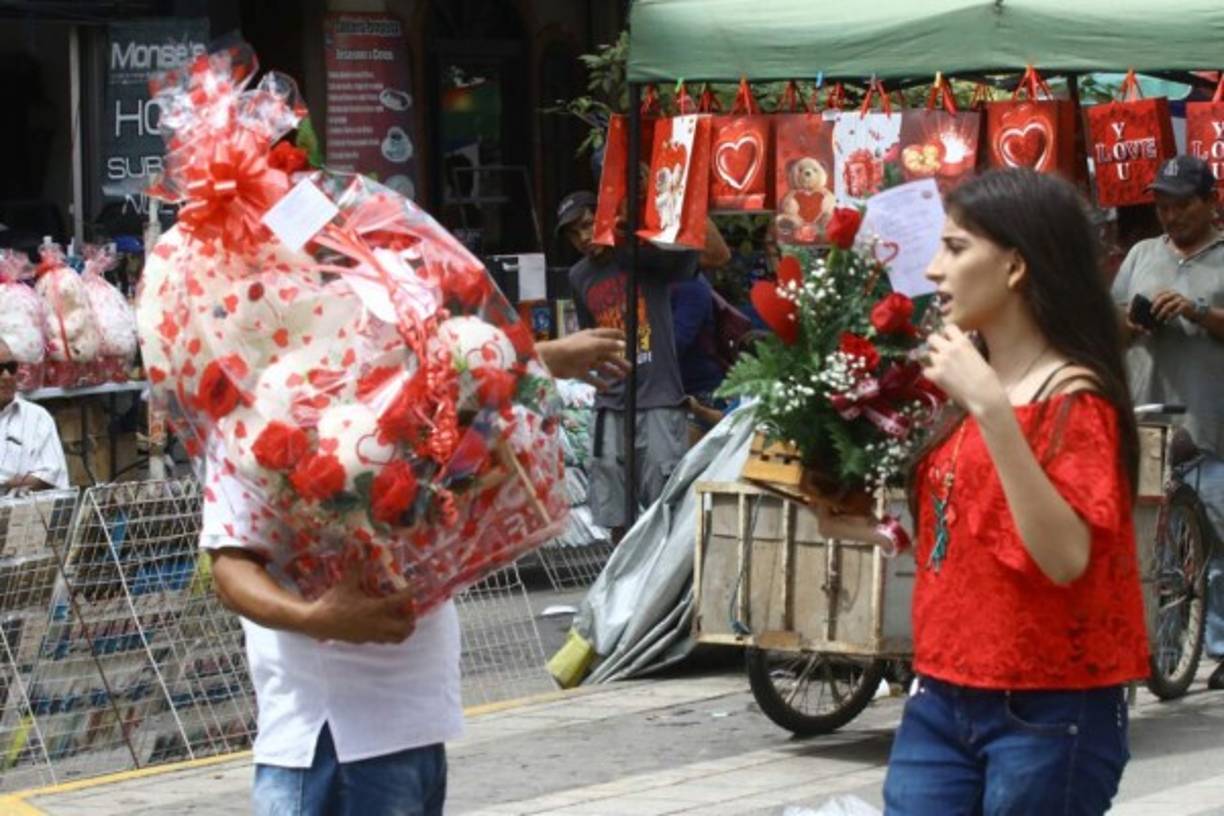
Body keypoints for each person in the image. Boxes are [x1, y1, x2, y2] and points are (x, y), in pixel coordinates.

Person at [821, 169, 1148, 815]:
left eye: (956, 248)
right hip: (941, 689)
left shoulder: (1073, 398)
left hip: (1048, 705)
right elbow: (966, 534)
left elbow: (1064, 558)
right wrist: (856, 524)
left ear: (1016, 266)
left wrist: (993, 410)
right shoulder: (968, 384)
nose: (934, 270)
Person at [205, 328, 631, 816]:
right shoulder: (256, 424)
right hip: (334, 742)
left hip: (418, 725)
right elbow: (231, 567)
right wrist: (316, 618)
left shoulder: (393, 402)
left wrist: (540, 361)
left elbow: (458, 396)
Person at [1110, 155, 1224, 690]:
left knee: (1217, 543)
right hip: (1147, 421)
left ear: (1210, 202)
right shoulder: (1141, 254)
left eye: (1181, 205)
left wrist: (1197, 311)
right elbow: (1109, 324)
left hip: (1209, 422)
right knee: (1149, 542)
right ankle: (1161, 647)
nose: (1170, 216)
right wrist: (1132, 324)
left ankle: (1220, 647)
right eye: (1162, 206)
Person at [558, 190, 730, 539]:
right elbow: (591, 337)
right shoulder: (579, 276)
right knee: (613, 511)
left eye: (588, 225)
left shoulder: (643, 256)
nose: (583, 237)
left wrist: (672, 196)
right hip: (610, 403)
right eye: (573, 233)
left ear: (605, 218)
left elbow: (715, 254)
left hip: (658, 398)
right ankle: (623, 571)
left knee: (664, 506)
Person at [0, 337, 68, 493]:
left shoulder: (37, 417)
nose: (7, 376)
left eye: (11, 367)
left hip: (20, 506)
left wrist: (5, 485)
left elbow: (51, 475)